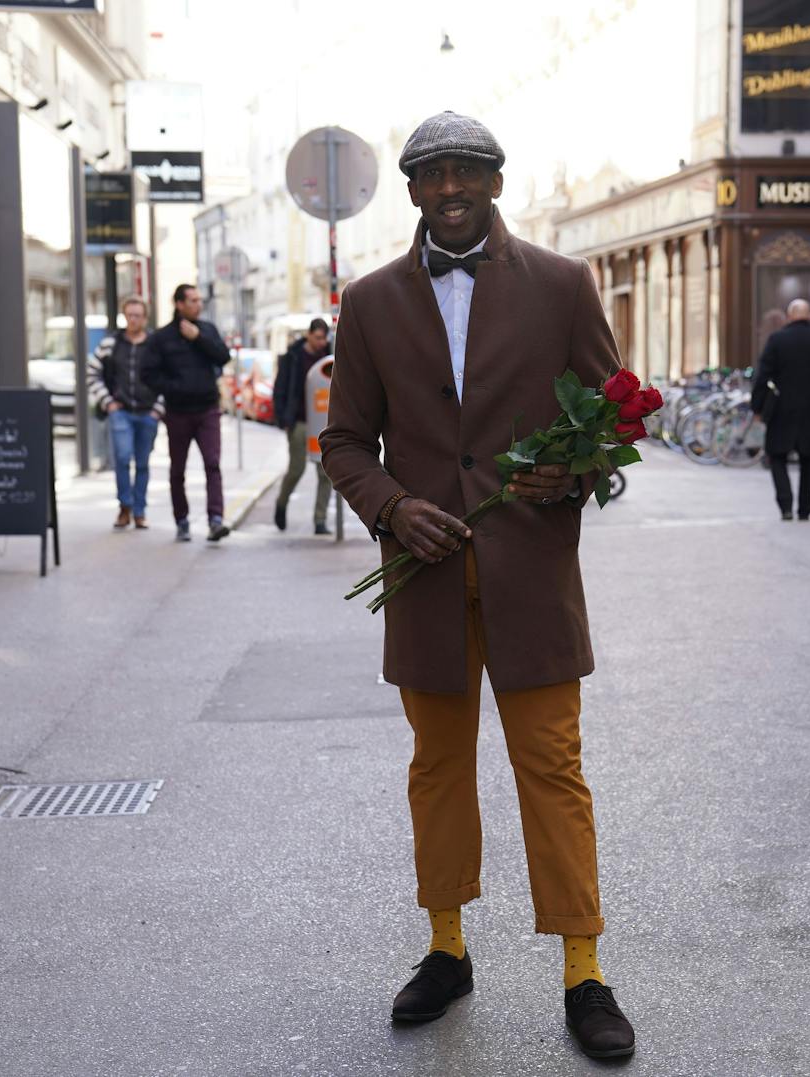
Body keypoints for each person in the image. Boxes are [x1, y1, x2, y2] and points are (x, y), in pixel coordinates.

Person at [319, 111, 636, 1060]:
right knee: (437, 768)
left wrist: (574, 474)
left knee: (553, 768)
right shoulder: (370, 301)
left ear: (496, 182)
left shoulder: (562, 285)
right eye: (431, 174)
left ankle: (584, 969)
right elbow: (343, 442)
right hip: (424, 576)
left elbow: (615, 417)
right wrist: (391, 507)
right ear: (411, 191)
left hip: (532, 575)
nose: (450, 187)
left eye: (468, 171)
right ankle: (446, 948)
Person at [145, 284, 230, 542]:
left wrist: (199, 338)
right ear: (179, 304)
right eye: (192, 300)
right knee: (177, 470)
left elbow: (223, 357)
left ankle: (216, 520)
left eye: (199, 300)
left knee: (213, 464)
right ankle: (181, 520)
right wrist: (173, 389)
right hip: (178, 412)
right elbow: (147, 373)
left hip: (207, 409)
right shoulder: (162, 337)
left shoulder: (207, 330)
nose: (198, 304)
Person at [750, 298, 810, 520]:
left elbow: (762, 376)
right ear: (809, 316)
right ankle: (805, 509)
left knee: (777, 456)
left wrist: (757, 406)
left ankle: (786, 505)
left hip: (780, 408)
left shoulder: (777, 340)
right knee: (807, 459)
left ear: (789, 316)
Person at [87, 296, 162, 530]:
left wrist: (159, 409)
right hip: (120, 411)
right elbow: (92, 372)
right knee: (121, 457)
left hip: (148, 412)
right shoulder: (111, 344)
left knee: (142, 463)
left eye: (137, 315)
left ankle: (140, 511)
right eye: (129, 315)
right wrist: (107, 402)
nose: (133, 320)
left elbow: (169, 378)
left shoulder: (155, 345)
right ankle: (125, 507)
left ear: (145, 317)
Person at [271, 318, 334, 535]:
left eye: (324, 337)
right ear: (309, 335)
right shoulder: (293, 356)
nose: (321, 342)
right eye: (318, 337)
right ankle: (281, 503)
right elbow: (281, 386)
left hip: (323, 423)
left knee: (325, 473)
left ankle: (320, 519)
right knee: (296, 470)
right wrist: (282, 418)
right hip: (298, 421)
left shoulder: (331, 356)